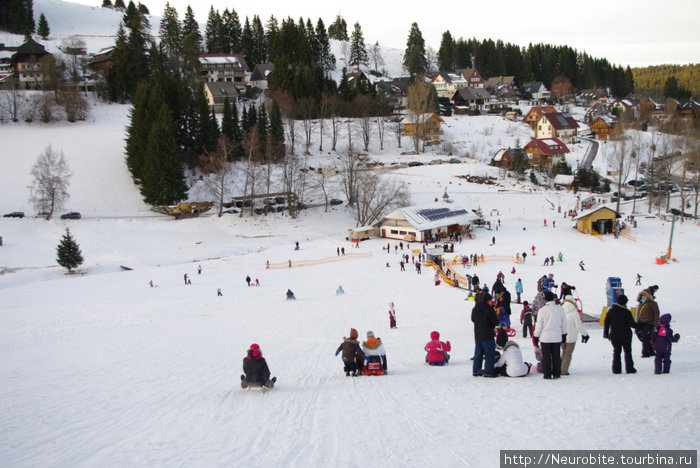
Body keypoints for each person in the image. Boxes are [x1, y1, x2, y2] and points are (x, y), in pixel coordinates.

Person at [533, 291, 567, 379]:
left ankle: (547, 374)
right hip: (556, 336)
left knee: (546, 357)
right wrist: (564, 334)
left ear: (545, 299)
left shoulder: (542, 310)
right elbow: (564, 323)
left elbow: (539, 324)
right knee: (556, 356)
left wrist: (536, 336)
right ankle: (557, 373)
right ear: (553, 298)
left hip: (545, 337)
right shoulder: (560, 309)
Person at [603, 294, 637, 374]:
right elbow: (632, 324)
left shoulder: (610, 311)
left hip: (614, 335)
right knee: (628, 352)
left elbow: (606, 322)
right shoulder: (627, 312)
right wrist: (640, 325)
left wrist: (606, 333)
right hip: (626, 335)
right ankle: (630, 368)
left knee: (616, 352)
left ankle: (616, 369)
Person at [561, 294, 589, 375]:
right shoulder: (574, 312)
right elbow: (579, 326)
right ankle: (563, 371)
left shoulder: (561, 309)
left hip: (562, 335)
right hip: (571, 337)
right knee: (568, 354)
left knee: (563, 352)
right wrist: (585, 334)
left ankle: (559, 368)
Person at [471, 293, 499, 377]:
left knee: (478, 353)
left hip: (478, 334)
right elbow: (495, 321)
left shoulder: (475, 308)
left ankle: (476, 370)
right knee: (489, 353)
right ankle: (488, 371)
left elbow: (472, 319)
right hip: (487, 334)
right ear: (488, 300)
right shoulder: (489, 309)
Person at [636, 286, 660, 358]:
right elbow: (638, 314)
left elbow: (656, 313)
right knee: (642, 337)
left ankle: (645, 353)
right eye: (642, 296)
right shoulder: (640, 303)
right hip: (641, 323)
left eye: (644, 296)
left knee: (646, 338)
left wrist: (655, 323)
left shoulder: (653, 303)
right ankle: (651, 351)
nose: (643, 297)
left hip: (649, 323)